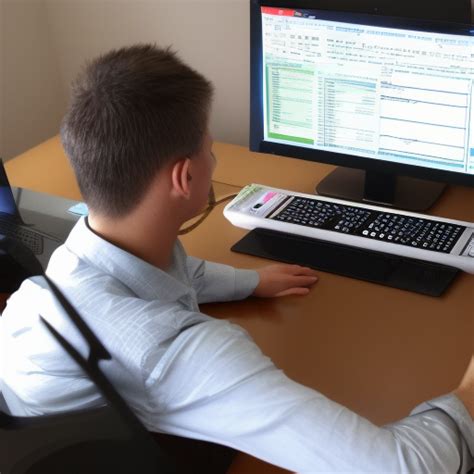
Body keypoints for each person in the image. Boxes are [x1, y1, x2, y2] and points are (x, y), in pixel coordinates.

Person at [0, 44, 472, 473]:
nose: (214, 160)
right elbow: (402, 467)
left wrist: (249, 282)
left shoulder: (74, 261)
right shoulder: (170, 350)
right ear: (185, 177)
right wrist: (468, 396)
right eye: (209, 150)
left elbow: (166, 275)